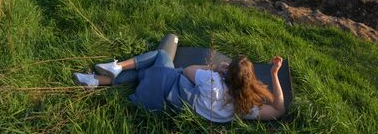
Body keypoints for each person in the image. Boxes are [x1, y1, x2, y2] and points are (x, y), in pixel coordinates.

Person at [72, 47, 285, 122]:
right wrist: (274, 75)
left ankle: (117, 67)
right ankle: (95, 81)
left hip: (169, 85)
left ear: (227, 73)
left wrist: (215, 68)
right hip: (166, 104)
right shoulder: (242, 107)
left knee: (161, 56)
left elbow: (188, 70)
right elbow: (278, 109)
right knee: (145, 74)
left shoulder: (213, 82)